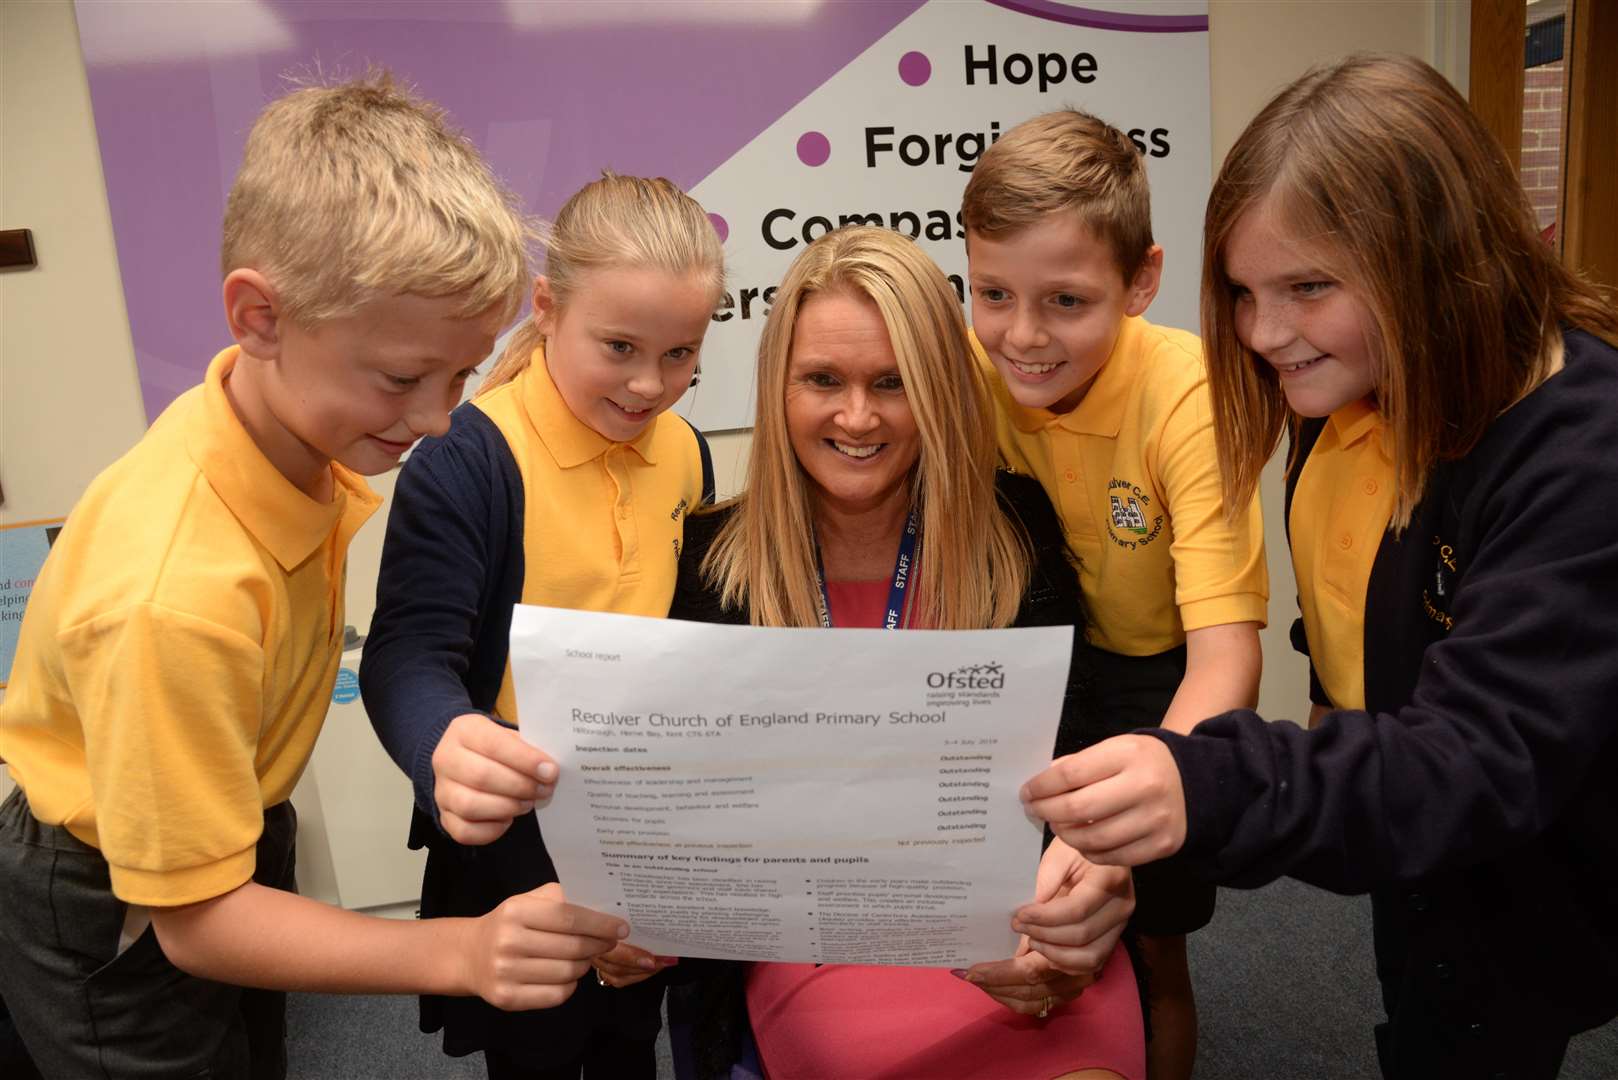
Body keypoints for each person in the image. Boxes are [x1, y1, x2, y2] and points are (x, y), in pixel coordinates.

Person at [0, 74, 628, 1080]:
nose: (434, 419)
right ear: (259, 317)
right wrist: (459, 952)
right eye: (398, 379)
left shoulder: (283, 418)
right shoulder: (172, 597)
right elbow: (198, 925)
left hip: (229, 816)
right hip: (109, 898)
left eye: (461, 376)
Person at [1021, 53, 1618, 1080]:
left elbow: (1473, 758)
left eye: (1307, 287)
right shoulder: (1345, 390)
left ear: (1437, 260)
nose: (1260, 333)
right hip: (1429, 862)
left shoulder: (1583, 456)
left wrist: (1207, 787)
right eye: (1246, 292)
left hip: (1555, 852)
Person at [668, 225, 1144, 1080]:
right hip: (820, 949)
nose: (858, 416)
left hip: (1013, 931)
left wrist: (1086, 900)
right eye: (823, 381)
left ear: (940, 389)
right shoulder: (712, 568)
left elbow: (1076, 766)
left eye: (893, 383)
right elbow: (692, 820)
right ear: (780, 388)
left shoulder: (1018, 537)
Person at [360, 173, 724, 1079]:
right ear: (549, 308)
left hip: (644, 811)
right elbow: (408, 653)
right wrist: (446, 743)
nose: (650, 384)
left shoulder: (686, 450)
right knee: (538, 1046)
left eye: (682, 354)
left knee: (634, 1033)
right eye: (620, 347)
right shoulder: (466, 455)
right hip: (519, 819)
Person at [960, 108, 1269, 1080]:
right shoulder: (975, 365)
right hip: (1031, 667)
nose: (1021, 337)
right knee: (1015, 916)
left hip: (1159, 685)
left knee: (1148, 945)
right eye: (991, 293)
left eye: (1065, 301)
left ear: (1140, 281)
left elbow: (1226, 652)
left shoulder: (1188, 395)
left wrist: (1137, 810)